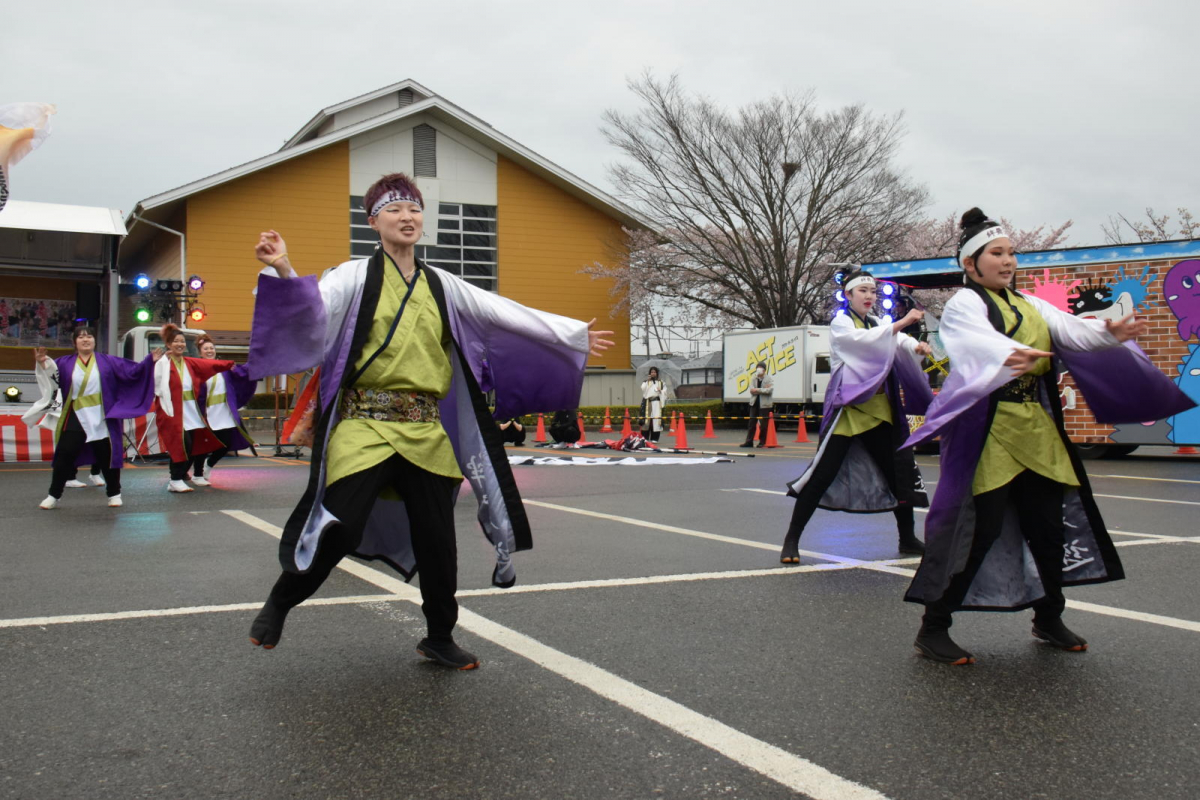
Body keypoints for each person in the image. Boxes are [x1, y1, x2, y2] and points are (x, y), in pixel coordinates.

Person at [243, 172, 613, 669]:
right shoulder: (353, 275)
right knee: (340, 526)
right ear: (373, 221)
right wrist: (285, 267)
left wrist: (569, 335)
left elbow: (502, 311)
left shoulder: (442, 284)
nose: (407, 217)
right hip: (364, 423)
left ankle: (440, 635)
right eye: (394, 209)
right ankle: (282, 601)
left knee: (438, 540)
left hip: (424, 430)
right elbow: (313, 312)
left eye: (414, 209)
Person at [904, 208, 1194, 665]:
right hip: (990, 429)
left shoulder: (1031, 304)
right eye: (995, 253)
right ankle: (934, 626)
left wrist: (1109, 332)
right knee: (978, 529)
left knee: (1049, 530)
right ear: (970, 263)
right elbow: (970, 341)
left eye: (1011, 253)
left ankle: (1048, 616)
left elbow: (1072, 333)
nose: (1007, 261)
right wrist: (1009, 352)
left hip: (1037, 430)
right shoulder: (967, 304)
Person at [781, 271, 934, 562]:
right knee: (821, 476)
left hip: (879, 412)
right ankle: (792, 540)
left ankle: (907, 538)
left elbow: (897, 342)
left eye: (872, 292)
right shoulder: (842, 324)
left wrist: (916, 347)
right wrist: (902, 323)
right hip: (850, 410)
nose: (869, 296)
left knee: (897, 476)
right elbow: (865, 344)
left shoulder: (879, 323)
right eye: (862, 290)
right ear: (848, 295)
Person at [24, 327, 161, 509]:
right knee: (64, 455)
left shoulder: (108, 361)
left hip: (103, 415)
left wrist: (148, 362)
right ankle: (53, 495)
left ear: (95, 341)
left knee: (107, 456)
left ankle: (114, 493)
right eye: (80, 337)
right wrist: (43, 364)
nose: (85, 339)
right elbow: (51, 379)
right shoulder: (64, 363)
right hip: (75, 414)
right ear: (75, 342)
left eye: (89, 336)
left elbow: (132, 372)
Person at [152, 324, 237, 493]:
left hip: (190, 411)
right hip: (172, 412)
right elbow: (151, 382)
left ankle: (180, 477)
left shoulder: (189, 363)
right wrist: (151, 363)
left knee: (190, 445)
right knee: (181, 443)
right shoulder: (162, 364)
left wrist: (228, 365)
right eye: (176, 341)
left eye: (182, 341)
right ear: (168, 345)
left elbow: (210, 366)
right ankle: (175, 479)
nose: (180, 344)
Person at [189, 335, 257, 486]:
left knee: (225, 443)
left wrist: (255, 361)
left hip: (223, 411)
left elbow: (241, 372)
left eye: (211, 348)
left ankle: (209, 465)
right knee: (203, 443)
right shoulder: (197, 368)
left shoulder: (223, 367)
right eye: (205, 349)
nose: (209, 351)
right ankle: (197, 474)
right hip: (205, 412)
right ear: (200, 352)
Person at [740, 362, 773, 447]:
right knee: (751, 423)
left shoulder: (769, 379)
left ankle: (762, 442)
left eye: (760, 368)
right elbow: (751, 390)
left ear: (764, 370)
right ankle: (749, 441)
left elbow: (769, 390)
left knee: (763, 425)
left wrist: (757, 390)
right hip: (754, 403)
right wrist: (762, 389)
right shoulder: (753, 378)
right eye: (757, 368)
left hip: (764, 405)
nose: (758, 370)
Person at [639, 366, 668, 443]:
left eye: (654, 372)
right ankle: (645, 437)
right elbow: (643, 389)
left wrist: (661, 391)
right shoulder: (646, 382)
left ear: (657, 373)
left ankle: (655, 438)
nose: (653, 373)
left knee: (656, 420)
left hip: (657, 403)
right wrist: (647, 381)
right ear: (649, 373)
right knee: (646, 420)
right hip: (648, 403)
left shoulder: (661, 382)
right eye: (651, 372)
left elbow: (665, 392)